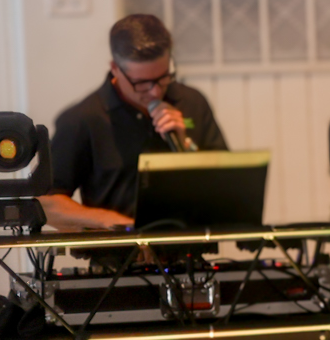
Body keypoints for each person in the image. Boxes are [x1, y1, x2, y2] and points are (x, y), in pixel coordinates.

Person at [41, 14, 229, 232]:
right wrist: (110, 221)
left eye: (163, 77)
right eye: (141, 83)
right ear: (115, 68)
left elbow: (226, 184)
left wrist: (186, 144)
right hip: (119, 250)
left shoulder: (192, 102)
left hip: (190, 247)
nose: (155, 91)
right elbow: (47, 203)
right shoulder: (82, 119)